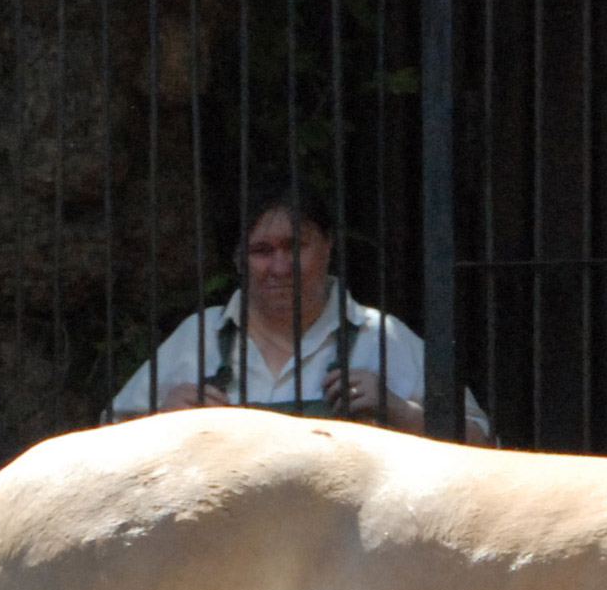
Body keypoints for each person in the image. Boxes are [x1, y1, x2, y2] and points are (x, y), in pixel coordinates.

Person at [109, 185, 492, 442]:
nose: (280, 267)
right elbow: (105, 444)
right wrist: (161, 422)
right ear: (238, 260)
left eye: (295, 246)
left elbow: (481, 442)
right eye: (262, 251)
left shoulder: (379, 337)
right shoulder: (199, 337)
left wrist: (399, 411)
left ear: (328, 245)